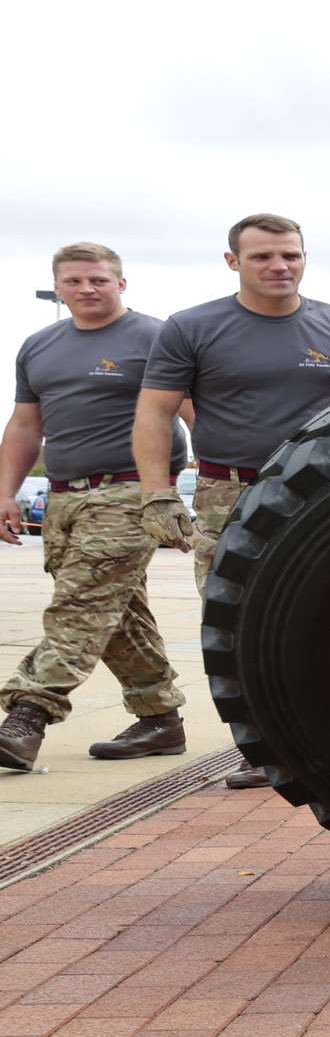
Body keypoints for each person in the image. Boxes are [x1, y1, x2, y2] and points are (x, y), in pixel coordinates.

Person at [134, 213, 330, 788]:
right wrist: (157, 494)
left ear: (304, 257)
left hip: (326, 491)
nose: (279, 266)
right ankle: (263, 748)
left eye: (291, 256)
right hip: (230, 494)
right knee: (236, 624)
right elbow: (153, 410)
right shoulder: (192, 327)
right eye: (263, 257)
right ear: (234, 262)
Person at [0, 243, 193, 770]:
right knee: (115, 609)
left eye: (99, 280)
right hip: (63, 495)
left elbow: (193, 411)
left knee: (80, 605)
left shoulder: (155, 337)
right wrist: (5, 492)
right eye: (74, 281)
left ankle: (27, 714)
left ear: (121, 284)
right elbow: (24, 426)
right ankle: (159, 719)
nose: (87, 289)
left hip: (131, 490)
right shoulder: (38, 345)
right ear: (58, 287)